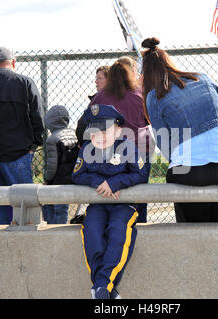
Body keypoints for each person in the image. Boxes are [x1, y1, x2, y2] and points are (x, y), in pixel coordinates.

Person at [141, 37, 218, 223]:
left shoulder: (154, 96)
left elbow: (165, 143)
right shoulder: (203, 78)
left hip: (191, 170)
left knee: (192, 234)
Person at [72, 104, 148, 299]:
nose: (102, 136)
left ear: (118, 130)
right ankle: (104, 288)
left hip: (124, 205)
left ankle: (102, 284)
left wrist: (115, 183)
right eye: (96, 132)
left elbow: (141, 173)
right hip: (98, 205)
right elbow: (77, 175)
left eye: (106, 130)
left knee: (117, 232)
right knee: (92, 232)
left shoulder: (127, 147)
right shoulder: (87, 149)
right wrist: (99, 182)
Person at [0, 47, 45, 225]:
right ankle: (25, 246)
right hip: (19, 153)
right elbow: (37, 116)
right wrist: (35, 145)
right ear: (14, 62)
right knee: (25, 205)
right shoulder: (25, 82)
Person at [89, 56, 153, 223]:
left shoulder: (100, 97)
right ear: (131, 73)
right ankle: (139, 225)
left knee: (112, 196)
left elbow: (88, 124)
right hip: (140, 150)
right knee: (139, 196)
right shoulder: (139, 95)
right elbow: (149, 120)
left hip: (110, 152)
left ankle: (113, 229)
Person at [42, 105, 78, 224]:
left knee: (53, 205)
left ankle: (52, 228)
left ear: (49, 122)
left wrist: (47, 179)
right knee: (62, 207)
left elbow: (52, 165)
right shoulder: (74, 134)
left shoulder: (52, 139)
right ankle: (60, 228)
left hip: (58, 181)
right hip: (73, 177)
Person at [76, 65, 110, 147]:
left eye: (100, 78)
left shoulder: (98, 100)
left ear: (109, 80)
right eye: (96, 78)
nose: (96, 81)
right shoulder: (120, 98)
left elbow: (82, 125)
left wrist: (82, 143)